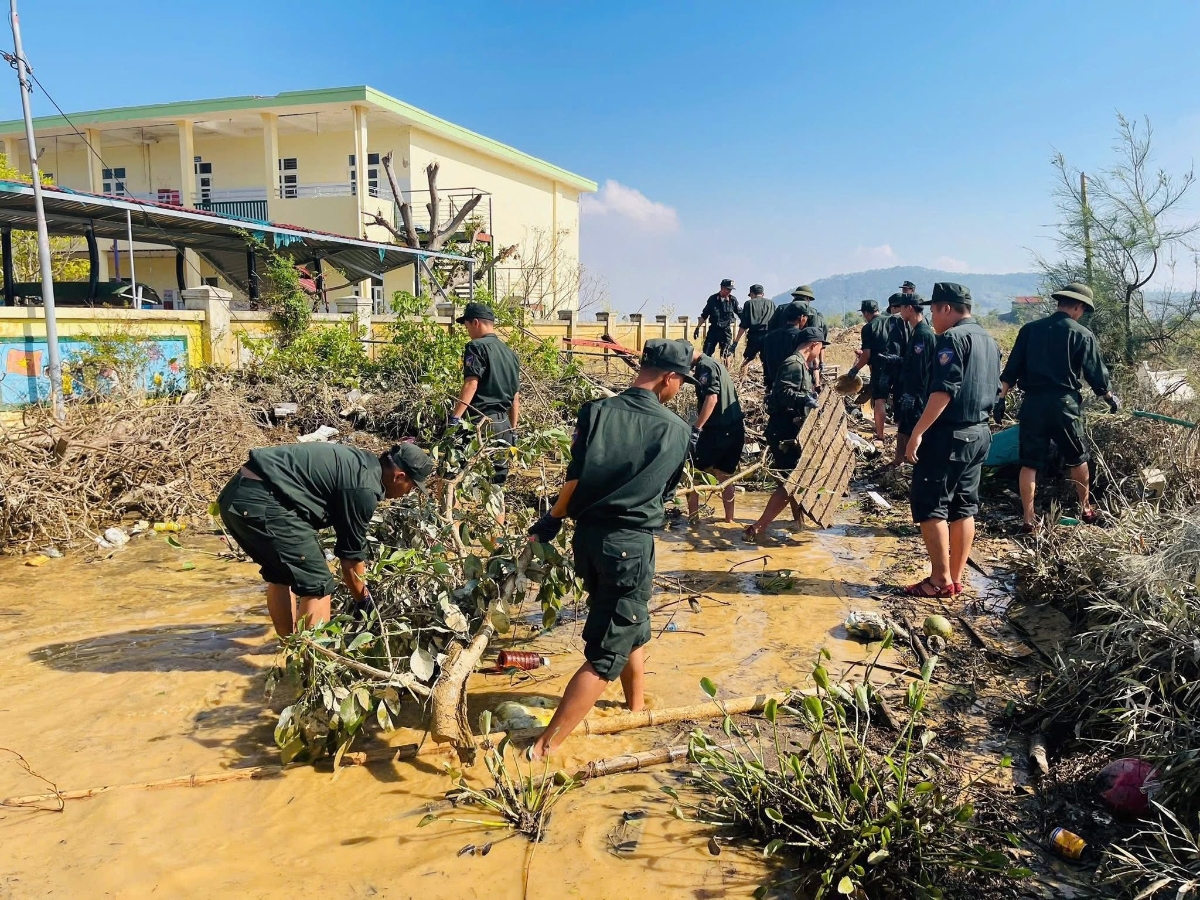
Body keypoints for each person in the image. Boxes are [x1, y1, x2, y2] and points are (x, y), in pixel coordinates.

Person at [527, 338, 693, 759]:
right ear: (670, 378)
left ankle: (636, 710)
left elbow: (574, 478)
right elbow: (663, 491)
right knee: (606, 653)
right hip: (631, 547)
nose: (678, 391)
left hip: (587, 542)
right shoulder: (676, 430)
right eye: (680, 383)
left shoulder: (596, 412)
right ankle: (543, 750)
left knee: (629, 624)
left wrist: (551, 520)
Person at [218, 442, 433, 637]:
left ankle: (290, 651)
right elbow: (350, 558)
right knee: (318, 582)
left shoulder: (362, 464)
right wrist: (364, 601)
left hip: (236, 496)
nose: (408, 493)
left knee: (281, 575)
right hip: (262, 502)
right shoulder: (364, 488)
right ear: (399, 476)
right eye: (413, 486)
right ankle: (313, 664)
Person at [904, 283, 1001, 597]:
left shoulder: (951, 339)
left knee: (930, 502)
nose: (932, 317)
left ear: (946, 308)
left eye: (934, 310)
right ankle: (955, 579)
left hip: (950, 434)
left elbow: (944, 391)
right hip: (980, 433)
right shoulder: (989, 340)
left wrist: (917, 432)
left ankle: (939, 581)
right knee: (964, 506)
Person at [998, 282, 1119, 530]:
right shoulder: (1082, 334)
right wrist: (1109, 398)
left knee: (1029, 463)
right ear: (1077, 306)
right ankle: (1085, 509)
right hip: (1065, 406)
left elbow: (1010, 371)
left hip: (1033, 404)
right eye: (1083, 310)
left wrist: (1000, 399)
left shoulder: (1029, 330)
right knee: (1077, 457)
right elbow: (1095, 374)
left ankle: (1028, 519)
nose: (1082, 314)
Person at [745, 334, 823, 539]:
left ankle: (799, 524)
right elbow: (782, 393)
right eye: (821, 347)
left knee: (795, 480)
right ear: (814, 345)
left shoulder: (802, 365)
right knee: (790, 482)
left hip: (790, 431)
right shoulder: (794, 364)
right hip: (783, 432)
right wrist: (804, 399)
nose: (821, 352)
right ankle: (758, 528)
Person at [448, 301, 521, 512]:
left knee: (453, 477)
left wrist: (455, 420)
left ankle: (453, 534)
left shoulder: (476, 347)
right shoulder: (510, 353)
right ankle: (498, 539)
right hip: (503, 424)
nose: (467, 331)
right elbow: (515, 398)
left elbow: (471, 384)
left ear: (476, 322)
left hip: (478, 422)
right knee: (496, 487)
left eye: (467, 325)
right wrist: (512, 430)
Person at [685, 346, 745, 523]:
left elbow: (712, 398)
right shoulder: (713, 364)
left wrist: (696, 428)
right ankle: (729, 521)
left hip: (717, 431)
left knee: (693, 474)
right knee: (724, 476)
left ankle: (692, 521)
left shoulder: (705, 366)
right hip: (734, 429)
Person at [892, 292, 937, 466]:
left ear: (909, 308)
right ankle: (898, 462)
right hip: (910, 390)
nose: (899, 312)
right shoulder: (915, 331)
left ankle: (911, 464)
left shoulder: (923, 334)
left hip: (918, 394)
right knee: (904, 425)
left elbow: (922, 368)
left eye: (901, 308)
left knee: (913, 428)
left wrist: (913, 393)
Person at [848, 299, 892, 441]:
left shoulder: (868, 328)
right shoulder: (892, 321)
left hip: (880, 367)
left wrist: (854, 370)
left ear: (866, 313)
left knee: (879, 399)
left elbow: (866, 355)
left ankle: (880, 434)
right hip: (897, 363)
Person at [760, 301, 807, 391]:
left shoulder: (769, 336)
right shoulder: (801, 337)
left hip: (774, 385)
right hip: (794, 388)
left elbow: (765, 361)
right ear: (801, 318)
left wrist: (768, 384)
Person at [732, 283, 775, 374]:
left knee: (747, 359)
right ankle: (768, 382)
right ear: (762, 294)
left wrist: (736, 341)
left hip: (754, 336)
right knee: (766, 361)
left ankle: (742, 379)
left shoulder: (749, 304)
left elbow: (743, 325)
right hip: (768, 336)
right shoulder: (770, 303)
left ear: (752, 293)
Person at [694, 278, 740, 360]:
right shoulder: (712, 299)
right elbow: (704, 315)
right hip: (713, 330)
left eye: (731, 290)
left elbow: (740, 313)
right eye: (727, 289)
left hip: (726, 331)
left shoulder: (732, 300)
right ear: (722, 287)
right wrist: (697, 328)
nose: (729, 291)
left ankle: (727, 372)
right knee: (706, 353)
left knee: (726, 354)